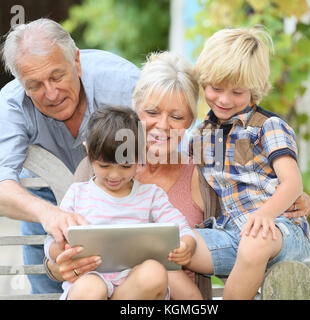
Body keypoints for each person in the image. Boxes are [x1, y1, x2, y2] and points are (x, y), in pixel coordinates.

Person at [44, 51, 310, 299]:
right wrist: (61, 266)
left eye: (176, 116)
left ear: (190, 122)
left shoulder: (206, 168)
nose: (162, 125)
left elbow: (241, 221)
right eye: (151, 112)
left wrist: (294, 200)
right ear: (136, 109)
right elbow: (59, 243)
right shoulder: (99, 165)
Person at [0, 18, 140, 294]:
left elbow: (167, 146)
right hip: (45, 203)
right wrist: (47, 214)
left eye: (57, 76)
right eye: (34, 85)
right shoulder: (12, 104)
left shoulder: (122, 83)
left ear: (77, 62)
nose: (51, 93)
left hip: (124, 202)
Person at [183, 27, 310, 299]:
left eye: (237, 92)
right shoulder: (203, 135)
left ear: (254, 90)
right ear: (203, 82)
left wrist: (266, 213)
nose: (225, 99)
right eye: (216, 88)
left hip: (280, 233)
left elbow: (292, 182)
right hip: (232, 236)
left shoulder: (268, 126)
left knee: (254, 244)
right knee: (177, 245)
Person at [44, 106, 201, 299]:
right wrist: (60, 252)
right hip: (89, 280)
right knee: (92, 287)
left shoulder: (151, 196)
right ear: (88, 153)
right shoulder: (78, 193)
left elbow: (182, 229)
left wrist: (186, 245)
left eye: (126, 166)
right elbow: (52, 240)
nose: (115, 175)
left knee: (154, 271)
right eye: (104, 166)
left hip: (133, 287)